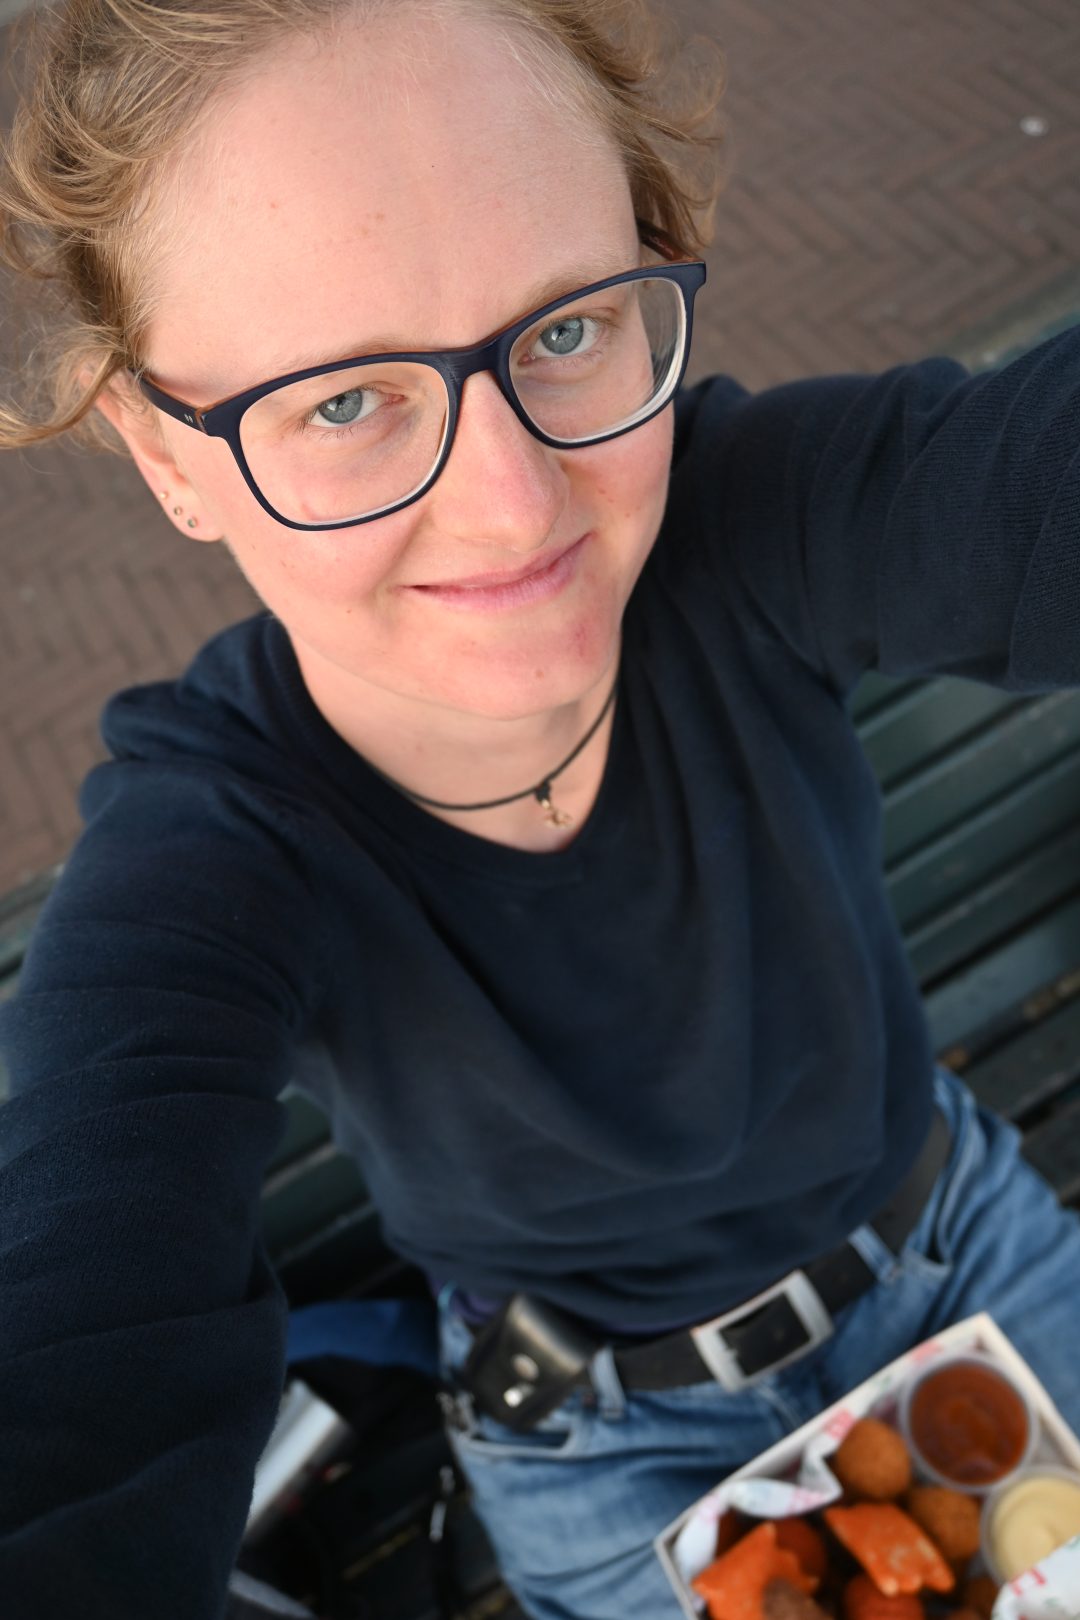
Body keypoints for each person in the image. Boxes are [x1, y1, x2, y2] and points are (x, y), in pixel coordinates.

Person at [1, 1, 1079, 1617]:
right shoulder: (205, 863)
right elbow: (79, 1320)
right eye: (345, 402)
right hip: (607, 1443)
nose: (513, 508)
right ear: (166, 451)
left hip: (959, 1251)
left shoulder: (759, 520)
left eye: (567, 328)